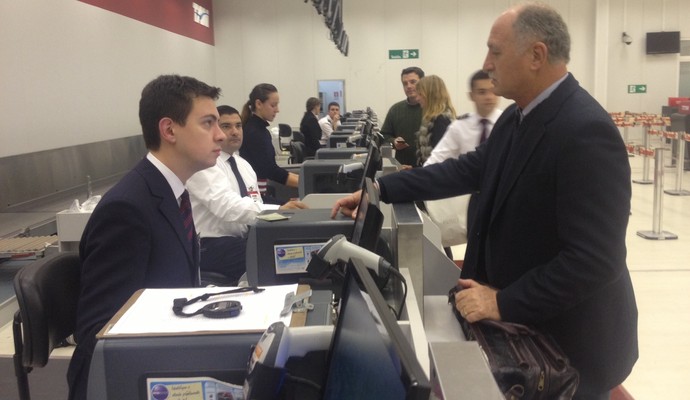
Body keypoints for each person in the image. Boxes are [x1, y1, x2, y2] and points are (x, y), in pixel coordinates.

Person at [332, 3, 638, 399]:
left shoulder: (585, 130)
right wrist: (381, 191)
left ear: (536, 56)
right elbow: (465, 170)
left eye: (495, 51)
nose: (486, 63)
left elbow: (595, 259)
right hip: (526, 333)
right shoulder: (518, 118)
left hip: (571, 346)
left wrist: (503, 301)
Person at [67, 75, 225, 400]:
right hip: (131, 379)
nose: (220, 135)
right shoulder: (128, 208)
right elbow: (100, 332)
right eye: (208, 123)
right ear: (169, 131)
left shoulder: (171, 192)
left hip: (170, 348)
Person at [187, 105, 307, 285]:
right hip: (210, 245)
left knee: (294, 248)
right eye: (226, 126)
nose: (235, 132)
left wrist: (285, 215)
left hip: (242, 239)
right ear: (214, 130)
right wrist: (279, 209)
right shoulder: (203, 164)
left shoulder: (244, 165)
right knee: (279, 259)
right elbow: (227, 206)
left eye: (238, 126)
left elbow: (254, 204)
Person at [424, 69, 503, 166]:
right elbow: (436, 159)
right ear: (471, 96)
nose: (489, 97)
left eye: (493, 91)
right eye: (482, 92)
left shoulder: (508, 123)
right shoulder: (460, 127)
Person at [240, 83, 299, 201]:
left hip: (260, 194)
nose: (277, 110)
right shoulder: (254, 133)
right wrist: (303, 183)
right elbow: (270, 170)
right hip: (256, 198)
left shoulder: (258, 129)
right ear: (258, 104)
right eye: (273, 105)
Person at [380, 66, 425, 167]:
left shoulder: (431, 110)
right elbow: (383, 137)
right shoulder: (395, 110)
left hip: (427, 171)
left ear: (423, 83)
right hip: (402, 168)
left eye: (413, 82)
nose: (408, 86)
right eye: (405, 83)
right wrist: (393, 142)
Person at [414, 74, 457, 166]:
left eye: (420, 94)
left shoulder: (440, 121)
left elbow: (440, 162)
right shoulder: (433, 119)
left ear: (430, 95)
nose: (417, 98)